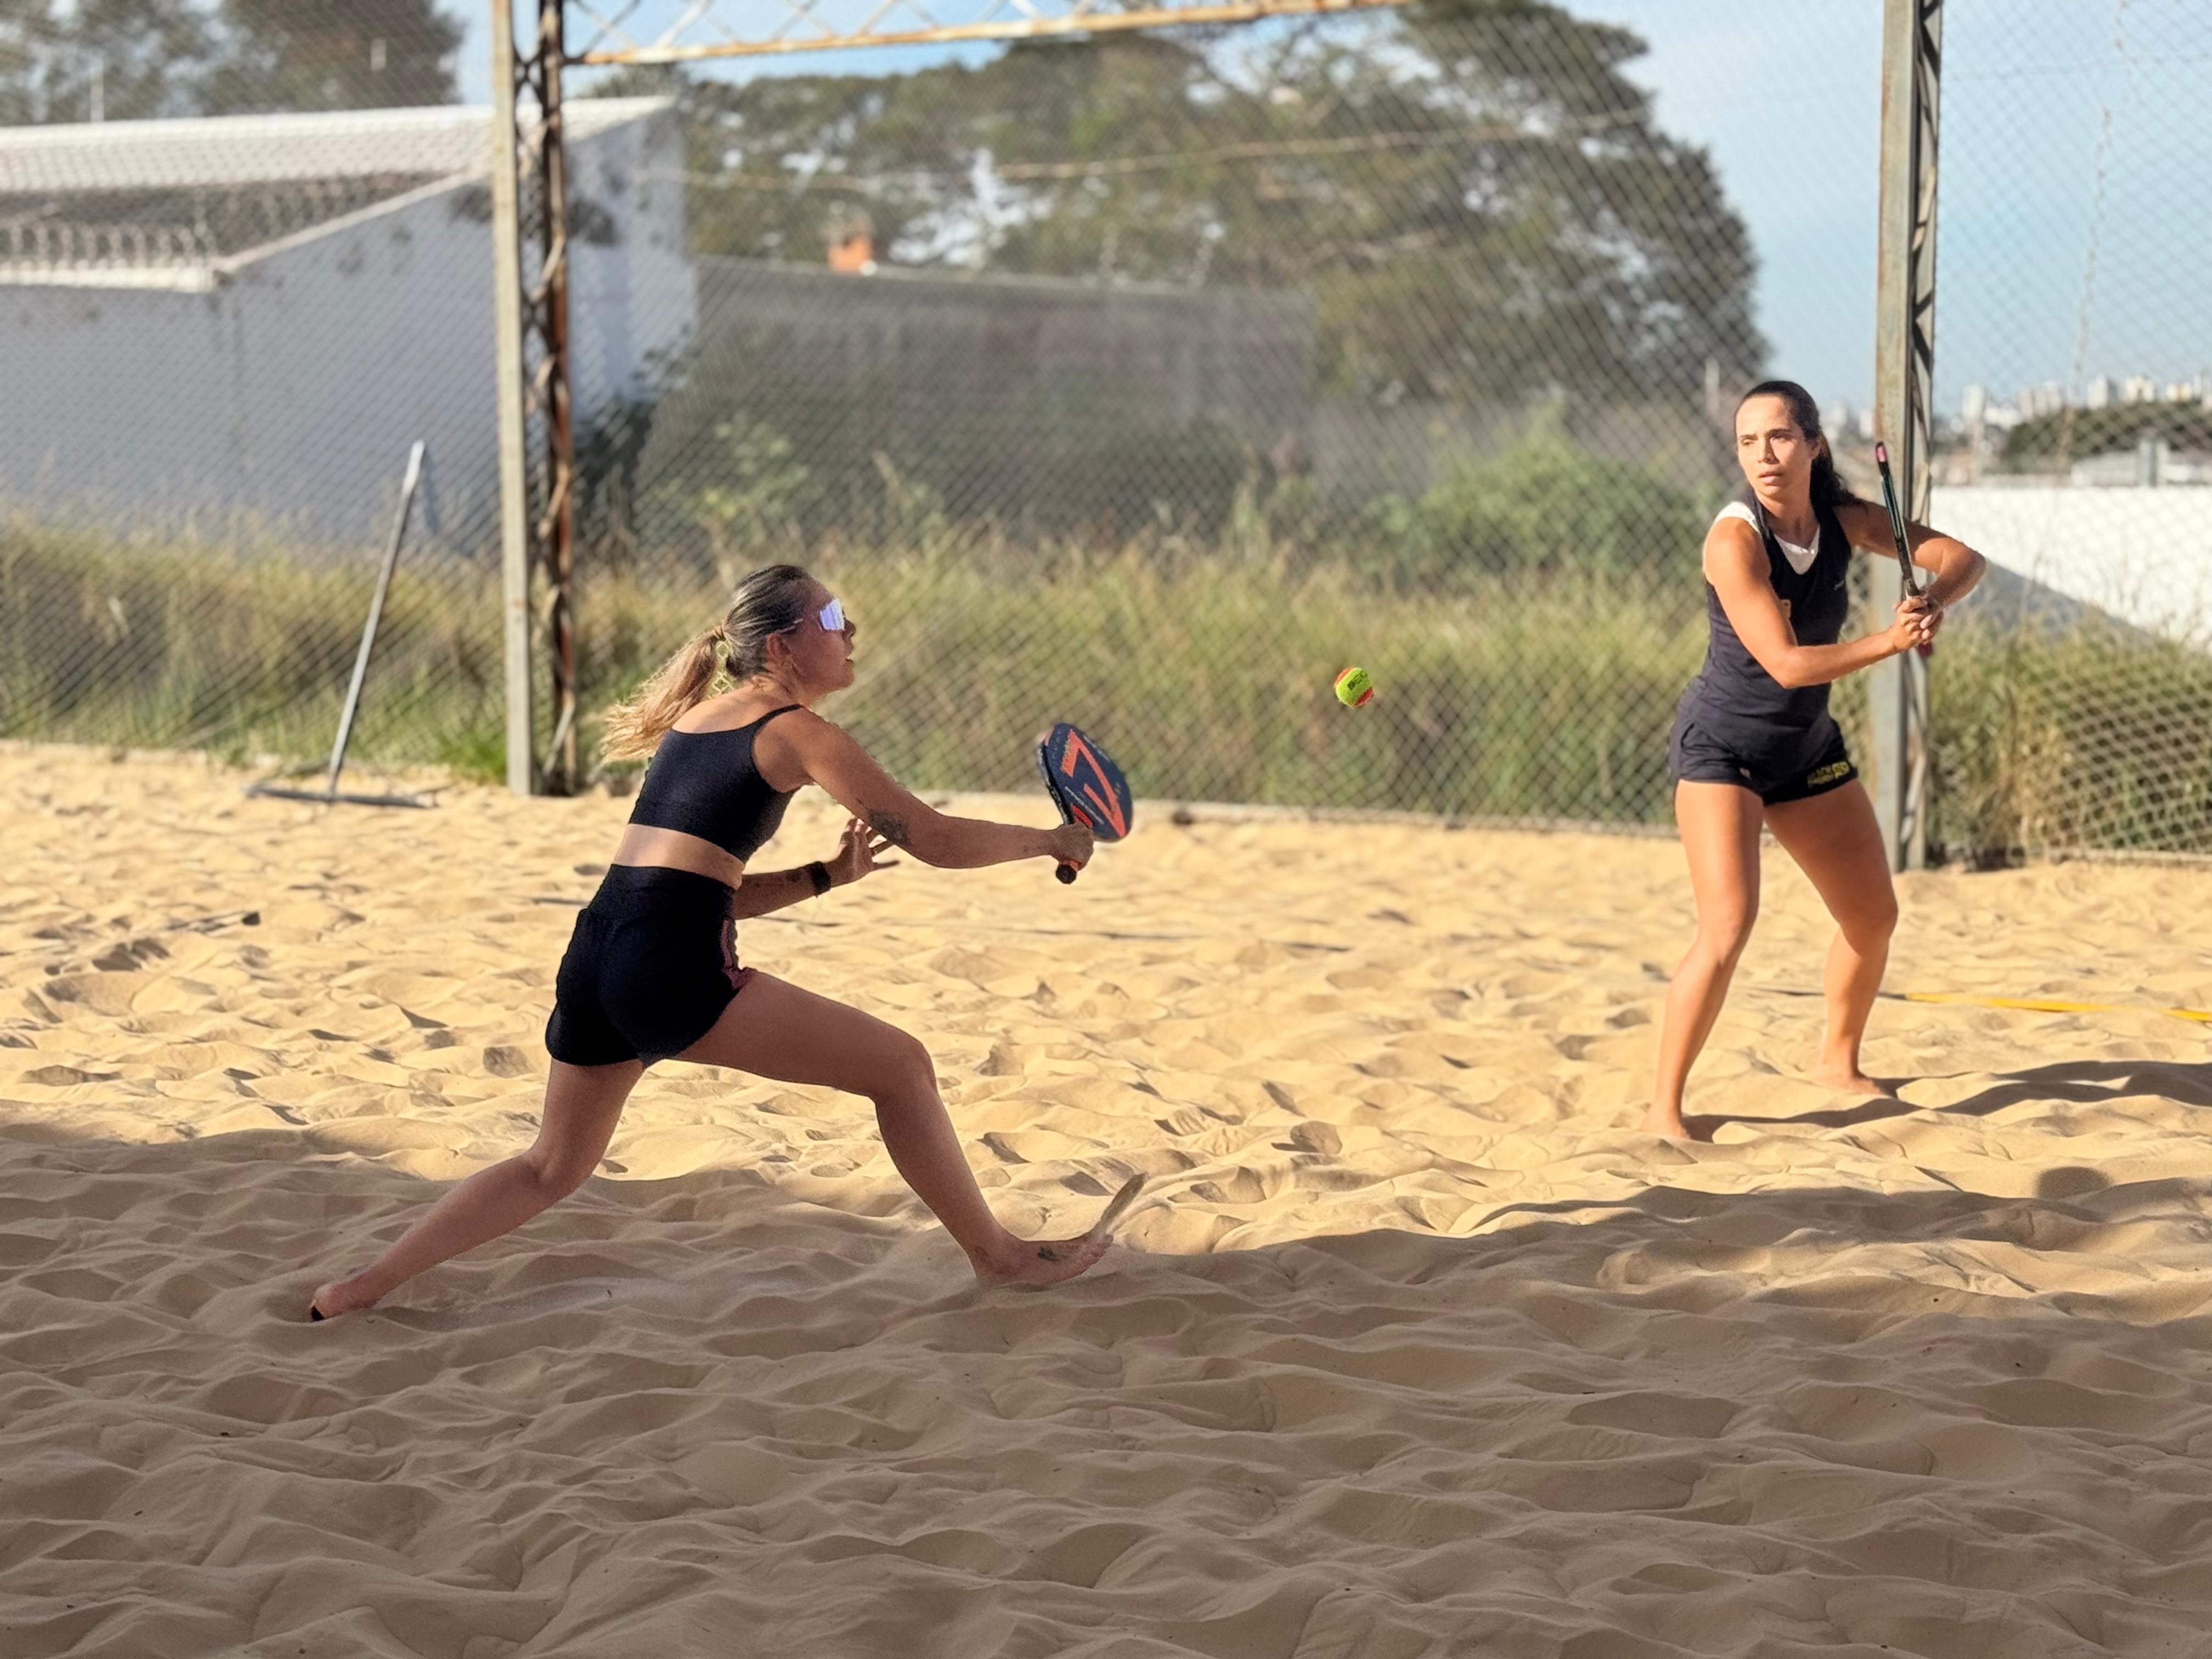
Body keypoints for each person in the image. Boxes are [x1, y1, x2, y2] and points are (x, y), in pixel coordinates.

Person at [311, 565, 1126, 1318]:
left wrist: (823, 878)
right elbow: (936, 839)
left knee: (549, 1168)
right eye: (833, 616)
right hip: (663, 966)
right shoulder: (798, 730)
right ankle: (1000, 1259)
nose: (851, 631)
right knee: (902, 1068)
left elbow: (692, 892)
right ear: (783, 644)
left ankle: (358, 1288)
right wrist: (1054, 841)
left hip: (596, 953)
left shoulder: (697, 722)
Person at [1641, 381, 1986, 1140]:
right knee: (1728, 927)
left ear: (1813, 445)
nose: (1764, 455)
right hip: (1723, 750)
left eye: (1780, 437)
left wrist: (1932, 602)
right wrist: (1891, 642)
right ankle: (1664, 1110)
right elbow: (1789, 666)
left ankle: (1837, 1062)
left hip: (1805, 749)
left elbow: (1964, 558)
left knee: (1873, 916)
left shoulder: (1846, 520)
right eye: (1747, 441)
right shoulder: (1733, 539)